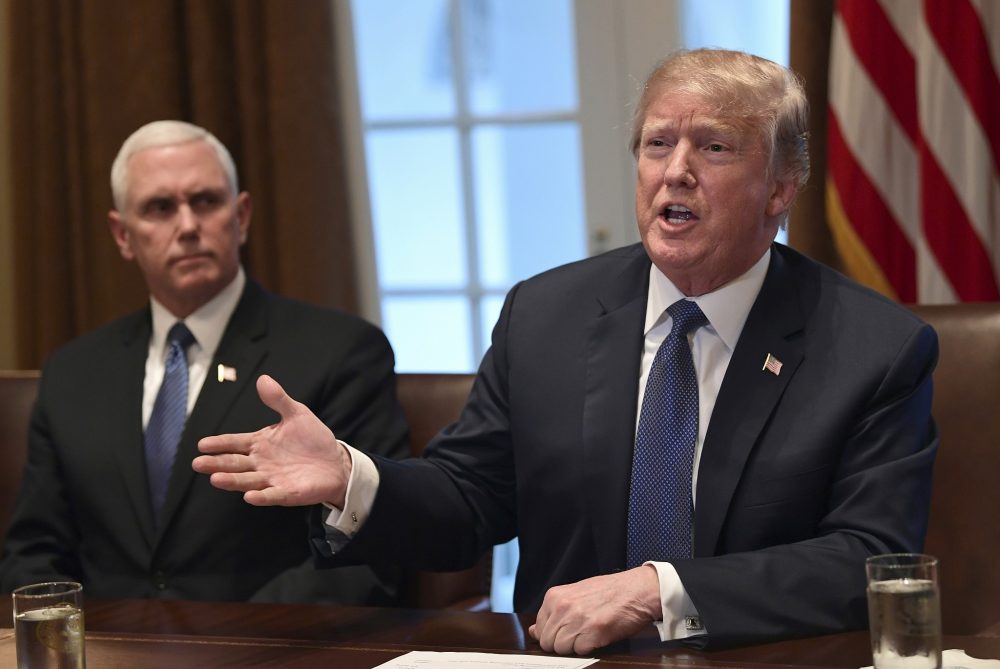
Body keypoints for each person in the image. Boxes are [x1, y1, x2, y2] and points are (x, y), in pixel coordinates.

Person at [193, 49, 938, 652]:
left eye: (713, 146)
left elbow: (867, 558)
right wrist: (351, 480)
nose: (675, 170)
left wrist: (658, 588)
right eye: (657, 143)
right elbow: (469, 498)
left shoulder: (873, 348)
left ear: (781, 187)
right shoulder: (546, 314)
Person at [0, 120, 409, 604]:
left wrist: (226, 646)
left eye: (206, 202)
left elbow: (367, 556)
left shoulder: (340, 352)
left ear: (242, 216)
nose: (188, 225)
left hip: (267, 652)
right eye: (160, 208)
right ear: (123, 235)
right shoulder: (73, 372)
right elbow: (33, 553)